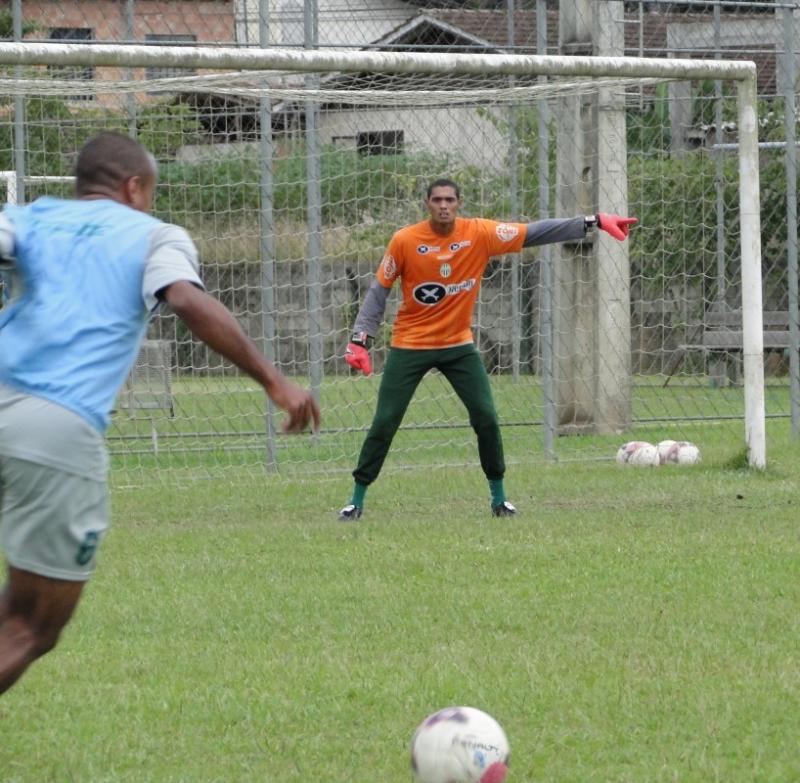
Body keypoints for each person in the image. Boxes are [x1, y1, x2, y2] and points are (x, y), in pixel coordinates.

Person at [0, 132, 320, 695]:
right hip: (53, 427)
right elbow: (189, 302)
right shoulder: (155, 236)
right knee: (29, 625)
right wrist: (276, 381)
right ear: (133, 186)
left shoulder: (24, 217)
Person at [338, 178, 636, 520]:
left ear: (459, 203)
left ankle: (500, 499)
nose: (444, 205)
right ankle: (355, 500)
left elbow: (534, 232)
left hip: (458, 347)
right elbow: (379, 291)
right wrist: (361, 338)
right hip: (410, 345)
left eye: (450, 199)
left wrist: (592, 221)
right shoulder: (405, 240)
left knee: (487, 418)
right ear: (427, 204)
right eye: (437, 200)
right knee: (385, 421)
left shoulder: (478, 234)